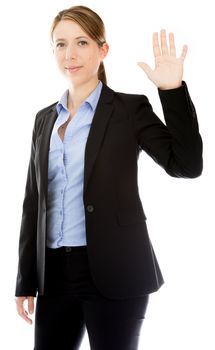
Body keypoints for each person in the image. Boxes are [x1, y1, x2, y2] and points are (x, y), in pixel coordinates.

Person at [15, 5, 203, 350]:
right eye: (60, 44)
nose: (70, 54)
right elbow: (33, 202)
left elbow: (186, 165)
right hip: (54, 275)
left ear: (103, 49)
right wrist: (25, 279)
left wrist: (172, 90)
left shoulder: (129, 110)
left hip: (115, 271)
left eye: (82, 42)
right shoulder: (44, 120)